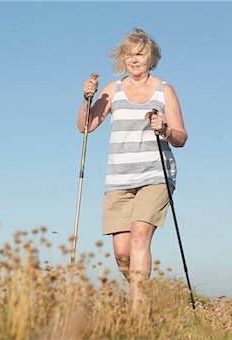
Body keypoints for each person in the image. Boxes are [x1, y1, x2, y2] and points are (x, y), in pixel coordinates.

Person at [77, 28, 188, 312]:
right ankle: (146, 294)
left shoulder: (165, 90)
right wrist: (87, 99)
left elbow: (181, 137)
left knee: (140, 235)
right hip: (119, 178)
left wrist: (164, 128)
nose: (134, 59)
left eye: (140, 54)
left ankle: (138, 314)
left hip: (154, 175)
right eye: (129, 55)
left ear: (152, 59)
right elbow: (85, 126)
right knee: (122, 253)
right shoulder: (113, 89)